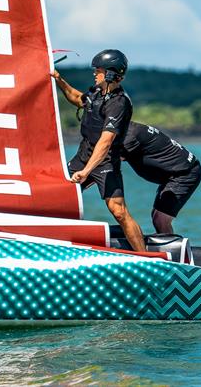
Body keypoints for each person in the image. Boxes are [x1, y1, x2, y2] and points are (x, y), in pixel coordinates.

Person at [51, 49, 146, 252]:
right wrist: (58, 79)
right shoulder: (96, 92)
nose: (94, 73)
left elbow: (106, 141)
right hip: (83, 156)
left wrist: (86, 172)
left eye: (98, 70)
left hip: (105, 161)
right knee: (57, 197)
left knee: (118, 211)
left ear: (111, 74)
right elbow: (77, 98)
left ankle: (147, 257)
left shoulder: (119, 103)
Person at [122, 122, 201, 234]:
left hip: (185, 173)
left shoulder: (130, 135)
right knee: (156, 215)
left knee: (160, 219)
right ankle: (166, 242)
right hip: (173, 172)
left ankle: (172, 248)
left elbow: (106, 163)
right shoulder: (127, 128)